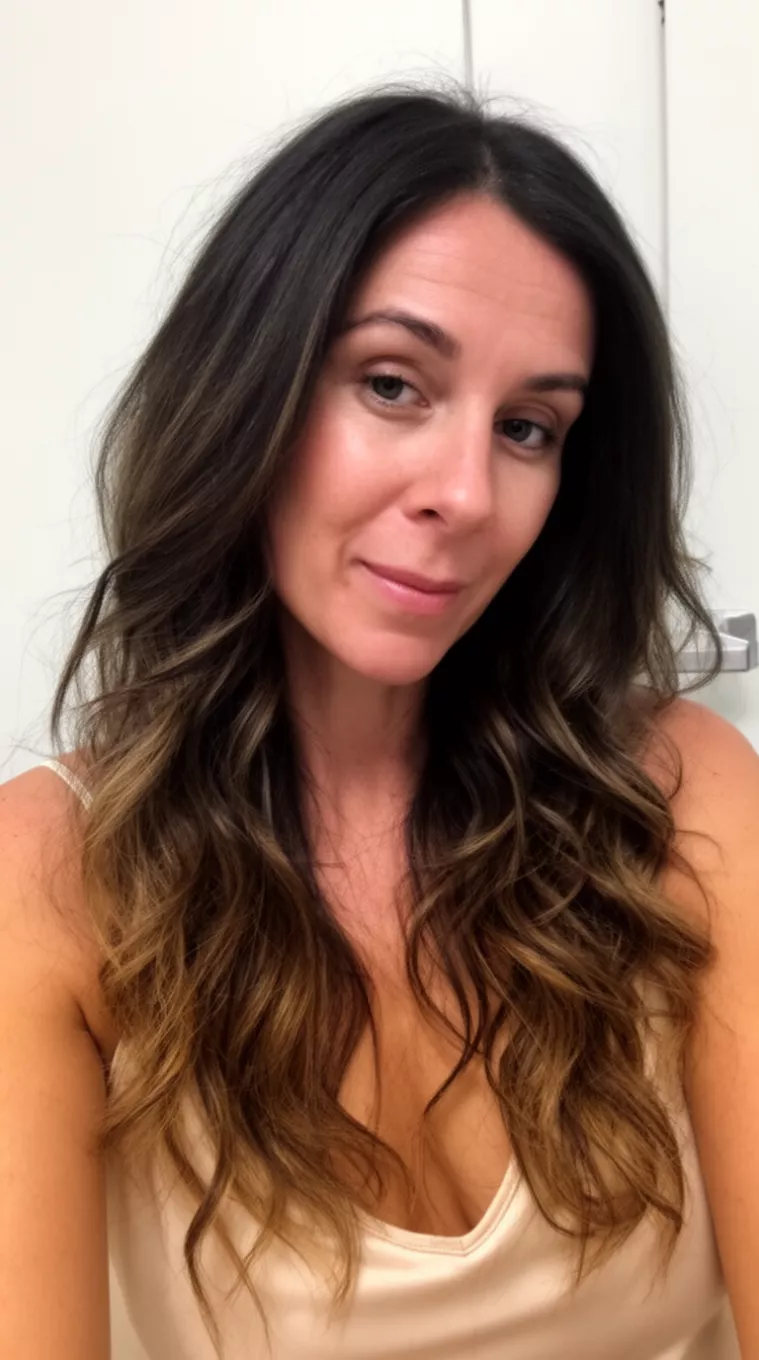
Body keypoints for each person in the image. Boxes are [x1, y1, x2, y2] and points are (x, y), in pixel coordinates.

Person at [1, 77, 757, 1360]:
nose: (467, 491)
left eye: (529, 427)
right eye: (394, 384)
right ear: (249, 388)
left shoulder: (686, 796)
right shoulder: (51, 881)